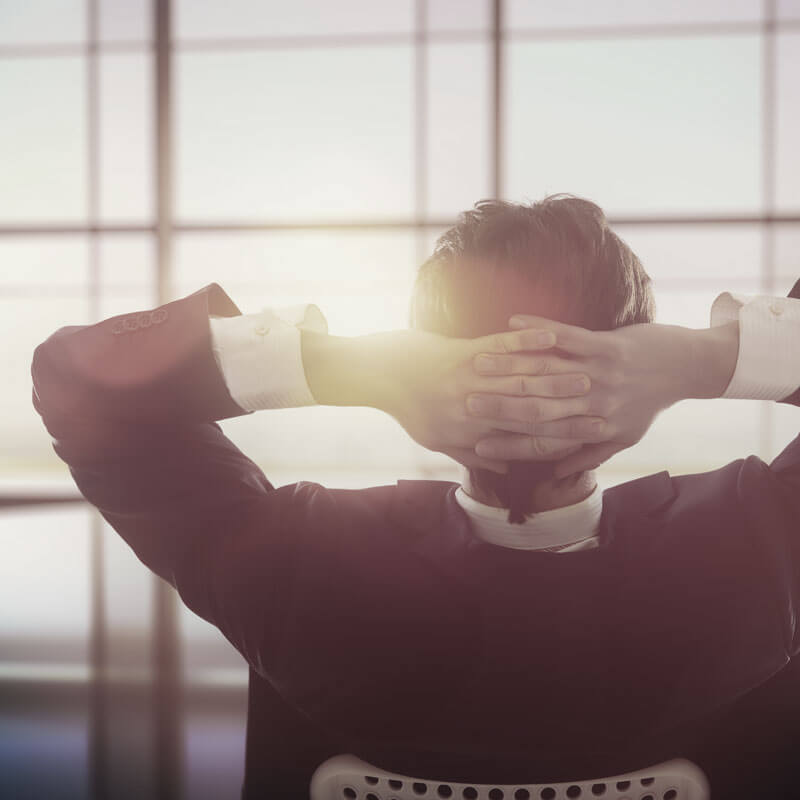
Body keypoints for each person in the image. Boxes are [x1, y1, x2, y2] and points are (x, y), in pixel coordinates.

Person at [31, 195, 800, 799]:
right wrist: (701, 359)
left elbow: (74, 382)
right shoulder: (761, 557)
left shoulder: (294, 570)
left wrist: (354, 368)